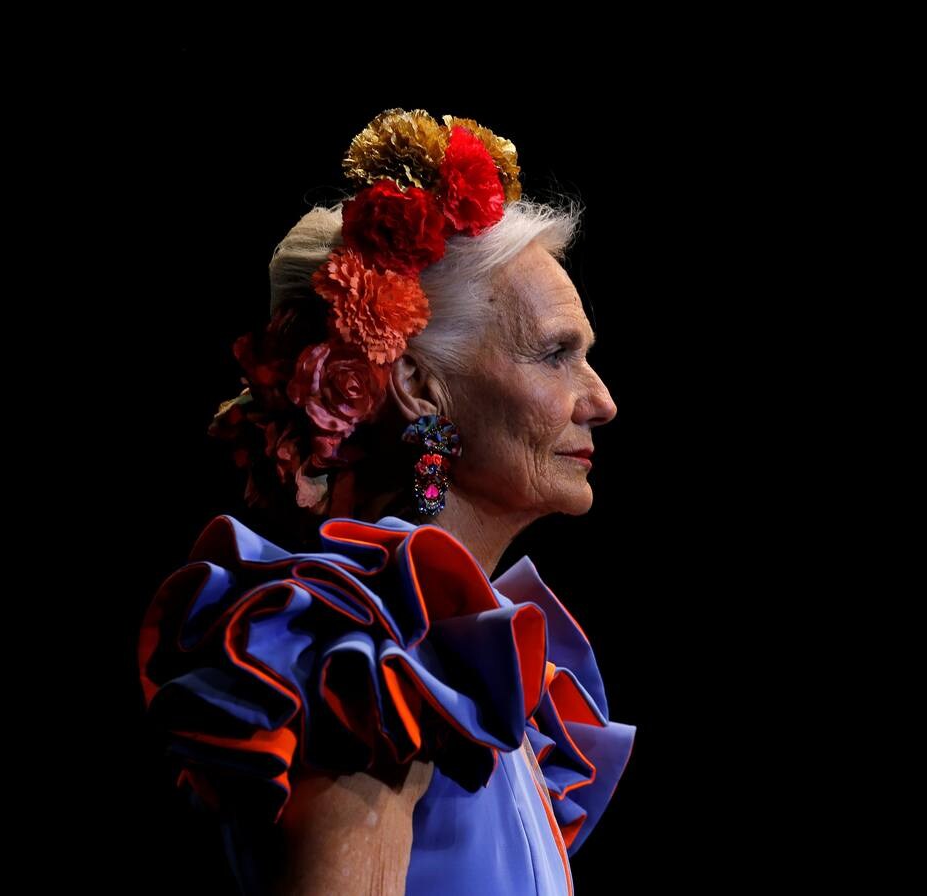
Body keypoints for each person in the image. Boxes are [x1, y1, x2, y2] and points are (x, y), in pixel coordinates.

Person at [137, 108, 637, 895]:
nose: (600, 401)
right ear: (415, 386)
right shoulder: (372, 659)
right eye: (555, 355)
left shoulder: (454, 659)